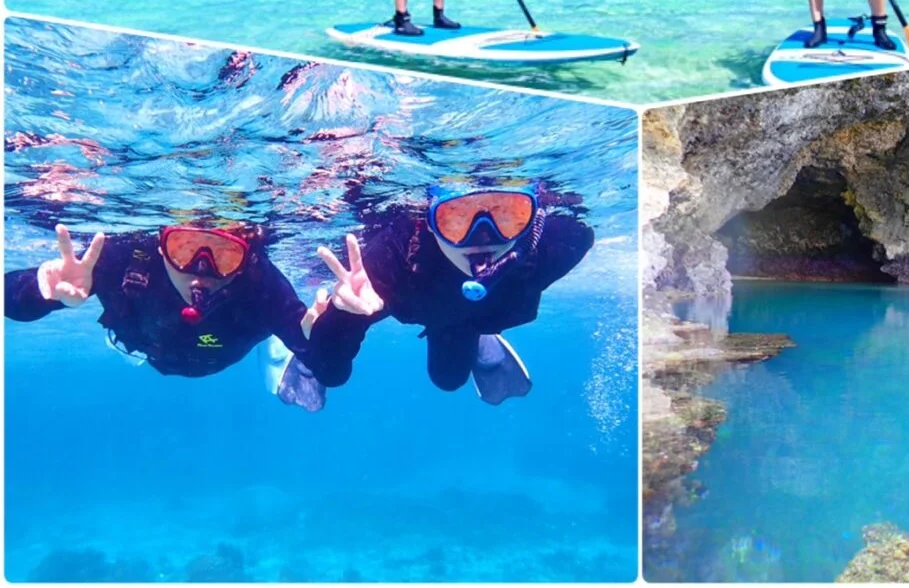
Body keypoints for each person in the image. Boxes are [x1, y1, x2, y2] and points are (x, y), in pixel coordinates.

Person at [303, 186, 594, 404]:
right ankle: (480, 337)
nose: (482, 237)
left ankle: (483, 335)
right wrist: (339, 320)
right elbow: (331, 373)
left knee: (449, 377)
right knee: (447, 379)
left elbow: (583, 232)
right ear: (429, 220)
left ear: (532, 219)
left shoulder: (548, 249)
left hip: (472, 318)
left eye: (507, 214)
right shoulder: (395, 257)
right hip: (436, 312)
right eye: (455, 217)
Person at [5, 223, 327, 411]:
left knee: (275, 332)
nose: (202, 270)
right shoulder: (123, 257)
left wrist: (332, 333)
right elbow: (10, 300)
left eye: (225, 254)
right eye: (184, 248)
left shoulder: (260, 284)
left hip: (228, 349)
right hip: (149, 344)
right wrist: (37, 292)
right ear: (160, 245)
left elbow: (327, 359)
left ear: (245, 258)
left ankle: (273, 346)